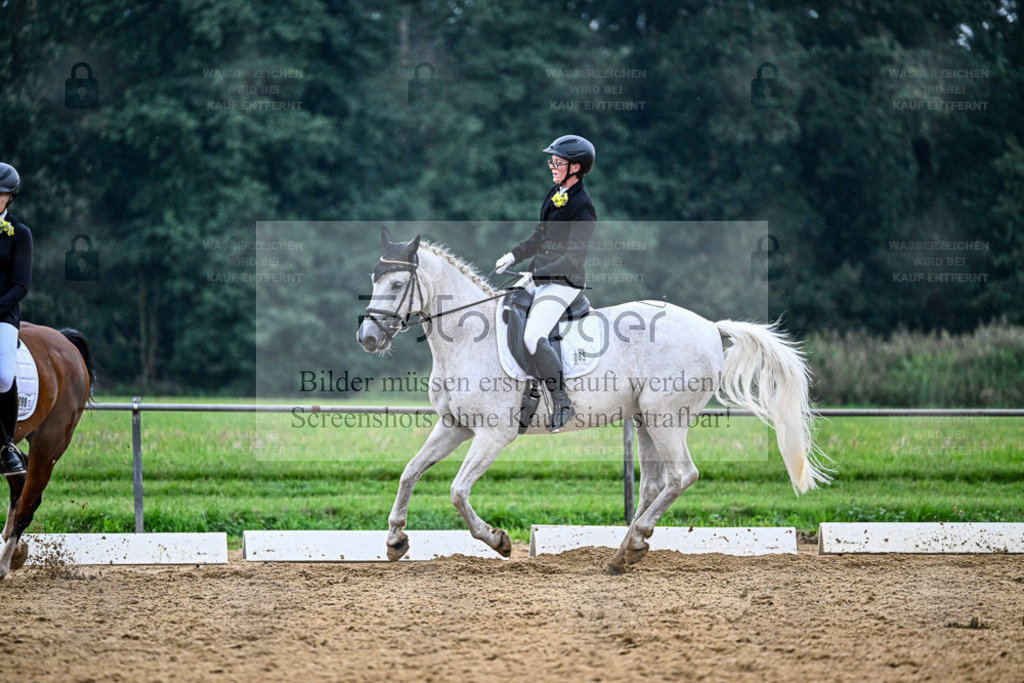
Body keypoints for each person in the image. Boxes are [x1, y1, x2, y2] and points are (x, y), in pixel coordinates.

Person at [494, 135, 597, 432]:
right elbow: (539, 235)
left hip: (564, 282)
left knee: (533, 335)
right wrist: (513, 256)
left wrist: (537, 276)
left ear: (576, 167)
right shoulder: (556, 192)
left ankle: (562, 400)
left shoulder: (583, 207)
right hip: (540, 275)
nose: (551, 166)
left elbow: (574, 257)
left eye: (558, 162)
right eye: (551, 161)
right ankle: (523, 388)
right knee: (505, 311)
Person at [0, 163, 32, 476]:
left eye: (1, 194)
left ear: (10, 197)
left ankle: (7, 445)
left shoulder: (19, 234)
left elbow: (21, 285)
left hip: (3, 316)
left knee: (3, 376)